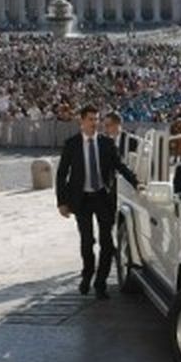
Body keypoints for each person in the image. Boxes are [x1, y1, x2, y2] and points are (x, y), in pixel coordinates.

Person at [56, 105, 138, 299]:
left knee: (107, 243)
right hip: (81, 199)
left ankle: (100, 283)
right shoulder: (72, 144)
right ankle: (87, 274)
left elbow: (120, 166)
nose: (95, 123)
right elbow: (61, 175)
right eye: (91, 119)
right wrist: (62, 202)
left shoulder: (107, 143)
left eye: (97, 120)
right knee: (86, 242)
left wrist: (136, 183)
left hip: (102, 197)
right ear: (82, 121)